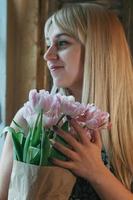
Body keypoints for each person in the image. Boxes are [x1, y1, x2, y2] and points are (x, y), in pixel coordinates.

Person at [0, 3, 133, 200]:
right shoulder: (30, 118)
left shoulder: (128, 126)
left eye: (62, 43)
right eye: (48, 44)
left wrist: (97, 173)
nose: (48, 55)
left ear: (98, 50)